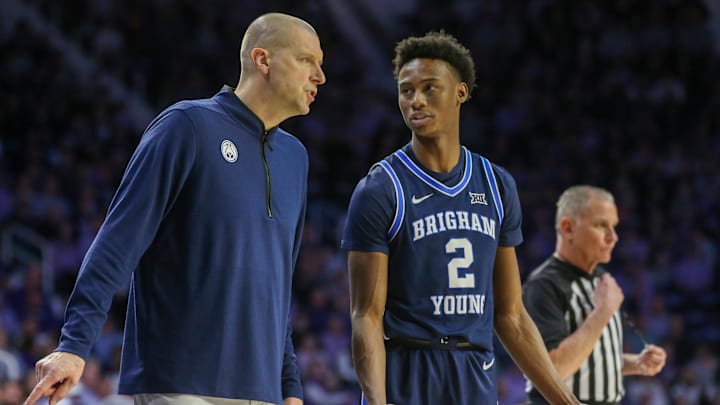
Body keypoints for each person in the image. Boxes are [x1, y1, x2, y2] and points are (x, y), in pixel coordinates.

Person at [24, 12, 326, 405]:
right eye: (307, 61)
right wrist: (74, 344)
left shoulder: (295, 158)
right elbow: (117, 242)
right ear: (262, 60)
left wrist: (289, 385)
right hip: (179, 382)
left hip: (262, 391)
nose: (319, 76)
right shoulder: (188, 126)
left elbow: (278, 282)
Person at [341, 31, 582, 405]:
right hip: (409, 369)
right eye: (406, 91)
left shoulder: (496, 185)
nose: (416, 100)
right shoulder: (381, 189)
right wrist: (376, 402)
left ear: (461, 93)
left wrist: (567, 402)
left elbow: (512, 317)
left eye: (430, 88)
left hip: (475, 371)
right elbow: (366, 316)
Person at [522, 185, 667, 404]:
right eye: (601, 225)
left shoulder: (601, 278)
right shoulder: (543, 285)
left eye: (614, 226)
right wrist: (603, 312)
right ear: (568, 228)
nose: (613, 237)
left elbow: (589, 359)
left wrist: (635, 363)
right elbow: (551, 370)